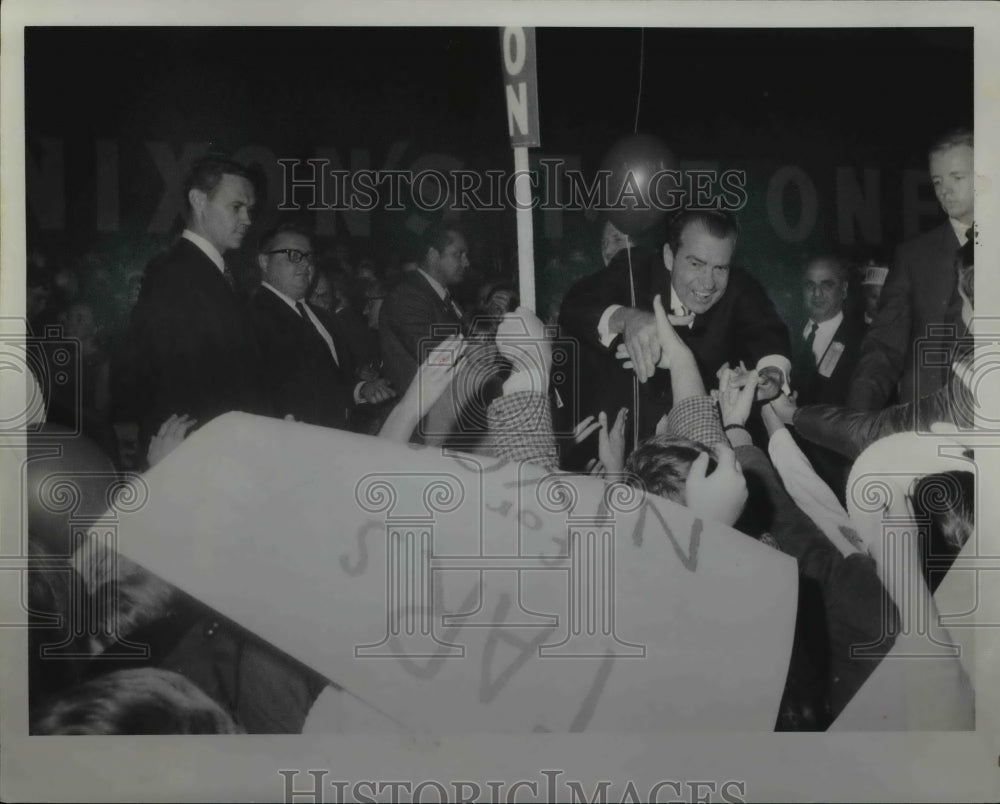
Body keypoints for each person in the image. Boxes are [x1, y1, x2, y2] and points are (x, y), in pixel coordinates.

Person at [559, 209, 791, 463]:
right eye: (696, 264)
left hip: (692, 464)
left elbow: (767, 332)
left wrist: (771, 374)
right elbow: (575, 306)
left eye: (720, 268)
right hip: (613, 459)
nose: (708, 283)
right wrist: (628, 319)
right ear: (670, 257)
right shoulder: (635, 266)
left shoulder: (741, 287)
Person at [118, 156, 270, 462]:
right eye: (236, 207)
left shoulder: (211, 272)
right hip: (200, 453)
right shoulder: (175, 273)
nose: (247, 220)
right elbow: (167, 380)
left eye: (249, 210)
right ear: (199, 200)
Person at [848, 128, 974, 410]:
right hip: (929, 424)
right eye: (938, 180)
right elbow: (883, 348)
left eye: (957, 177)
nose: (945, 190)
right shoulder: (914, 256)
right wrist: (859, 421)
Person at [248, 222, 393, 429]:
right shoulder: (253, 317)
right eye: (293, 255)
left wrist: (361, 389)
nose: (306, 264)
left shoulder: (320, 316)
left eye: (308, 256)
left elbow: (329, 379)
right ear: (264, 261)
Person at [379, 222, 469, 395]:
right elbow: (439, 357)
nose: (466, 263)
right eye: (458, 255)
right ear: (433, 255)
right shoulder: (407, 296)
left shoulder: (444, 297)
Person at [792, 256, 864, 406]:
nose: (817, 293)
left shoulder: (864, 341)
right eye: (810, 285)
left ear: (844, 290)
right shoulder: (785, 333)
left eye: (827, 285)